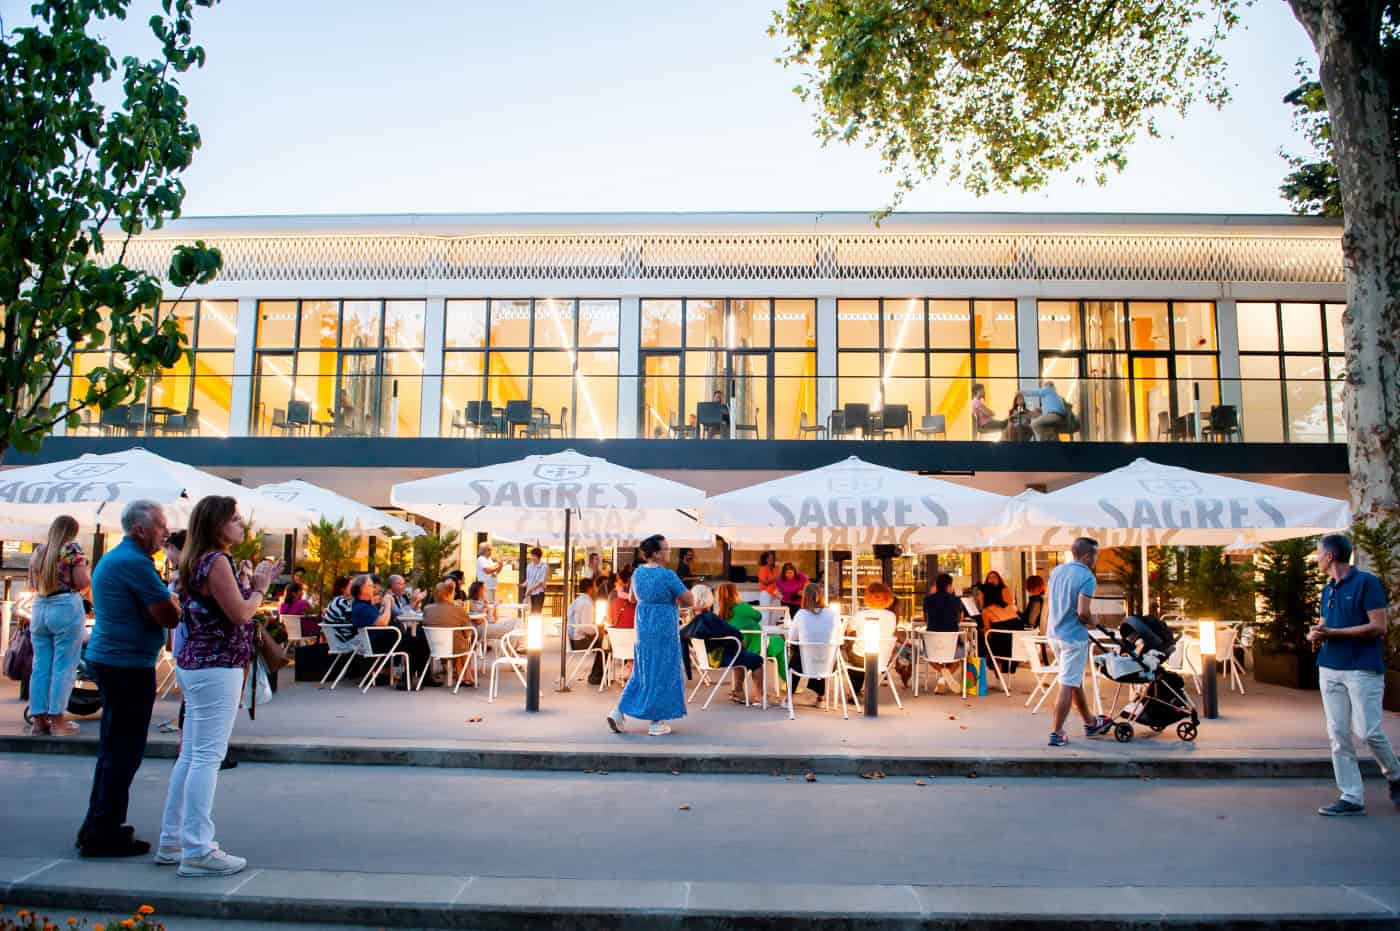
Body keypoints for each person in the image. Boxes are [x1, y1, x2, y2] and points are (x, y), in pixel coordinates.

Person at [157, 496, 281, 878]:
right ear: (217, 526)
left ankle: (173, 838)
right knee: (208, 756)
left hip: (196, 662)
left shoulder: (194, 561)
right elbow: (241, 613)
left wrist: (249, 585)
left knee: (192, 754)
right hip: (218, 665)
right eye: (235, 519)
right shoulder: (217, 561)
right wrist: (259, 588)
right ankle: (197, 848)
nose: (242, 524)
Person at [77, 500, 180, 858]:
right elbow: (168, 616)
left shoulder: (117, 558)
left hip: (112, 659)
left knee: (112, 747)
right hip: (127, 664)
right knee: (124, 749)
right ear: (140, 529)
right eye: (161, 526)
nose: (166, 532)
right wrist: (173, 600)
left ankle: (96, 824)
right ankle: (104, 830)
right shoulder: (136, 564)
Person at [1308, 533, 1400, 816]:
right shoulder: (1328, 589)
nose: (1317, 558)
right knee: (1338, 733)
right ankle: (1351, 796)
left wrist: (1335, 633)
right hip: (1330, 667)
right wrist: (1315, 632)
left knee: (1368, 731)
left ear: (1330, 556)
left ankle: (1395, 775)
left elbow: (1378, 626)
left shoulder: (1367, 583)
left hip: (1362, 669)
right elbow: (1325, 622)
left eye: (1319, 554)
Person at [607, 533, 693, 737]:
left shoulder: (637, 574)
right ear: (656, 554)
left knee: (643, 670)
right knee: (664, 671)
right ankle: (656, 721)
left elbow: (632, 597)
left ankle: (618, 712)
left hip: (643, 626)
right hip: (663, 626)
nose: (669, 551)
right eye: (666, 549)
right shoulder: (668, 575)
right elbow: (689, 600)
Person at [27, 515, 91, 737]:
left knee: (40, 666)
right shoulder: (71, 549)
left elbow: (32, 583)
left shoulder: (39, 551)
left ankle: (38, 721)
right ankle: (57, 721)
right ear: (72, 531)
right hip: (65, 606)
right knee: (64, 666)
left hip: (40, 607)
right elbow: (83, 582)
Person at [1045, 537, 1113, 747]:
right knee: (1068, 682)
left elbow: (1050, 602)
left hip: (1054, 633)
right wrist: (1095, 620)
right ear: (1086, 556)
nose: (1096, 559)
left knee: (1073, 680)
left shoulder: (1057, 571)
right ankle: (1057, 732)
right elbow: (1083, 612)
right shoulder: (1087, 577)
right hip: (1073, 637)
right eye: (1096, 555)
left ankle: (1090, 723)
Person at [681, 584, 764, 704]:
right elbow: (734, 633)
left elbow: (683, 637)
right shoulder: (710, 618)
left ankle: (738, 691)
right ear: (709, 599)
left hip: (705, 659)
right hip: (718, 659)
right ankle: (759, 698)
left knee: (739, 656)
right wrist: (740, 641)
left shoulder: (693, 621)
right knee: (757, 660)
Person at [716, 581, 784, 701]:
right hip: (757, 646)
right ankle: (788, 680)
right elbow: (758, 616)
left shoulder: (721, 614)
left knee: (744, 659)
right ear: (735, 593)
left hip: (737, 649)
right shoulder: (741, 606)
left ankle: (738, 689)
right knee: (779, 641)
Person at [787, 583, 842, 705]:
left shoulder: (801, 614)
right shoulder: (833, 614)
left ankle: (789, 696)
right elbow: (839, 636)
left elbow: (792, 638)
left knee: (798, 652)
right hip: (827, 663)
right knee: (821, 649)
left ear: (805, 597)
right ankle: (821, 696)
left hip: (805, 662)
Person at [422, 580, 476, 687]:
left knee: (459, 640)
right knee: (465, 641)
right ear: (449, 594)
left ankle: (462, 675)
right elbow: (468, 633)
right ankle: (467, 676)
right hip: (454, 648)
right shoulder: (458, 609)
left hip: (433, 647)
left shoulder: (427, 609)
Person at [921, 573, 966, 694]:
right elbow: (960, 618)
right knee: (960, 656)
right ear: (949, 586)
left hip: (932, 645)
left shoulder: (928, 599)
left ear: (936, 585)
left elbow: (925, 618)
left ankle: (942, 676)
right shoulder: (956, 601)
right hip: (952, 643)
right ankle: (945, 677)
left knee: (927, 655)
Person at [977, 570, 1025, 671]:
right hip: (1018, 649)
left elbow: (987, 632)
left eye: (980, 595)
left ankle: (996, 671)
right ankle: (1000, 677)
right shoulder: (1009, 608)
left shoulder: (987, 611)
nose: (978, 597)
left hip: (1002, 651)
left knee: (984, 642)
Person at [568, 576, 605, 686]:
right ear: (590, 589)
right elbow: (586, 627)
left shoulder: (577, 601)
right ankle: (597, 676)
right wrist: (599, 628)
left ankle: (597, 675)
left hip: (572, 639)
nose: (596, 589)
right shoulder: (586, 604)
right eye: (594, 587)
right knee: (605, 643)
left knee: (602, 640)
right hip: (579, 641)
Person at [524, 547, 548, 613]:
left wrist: (530, 589)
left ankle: (536, 623)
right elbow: (528, 579)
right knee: (530, 612)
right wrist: (523, 584)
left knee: (537, 612)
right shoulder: (529, 566)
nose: (532, 558)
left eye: (534, 556)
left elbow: (541, 582)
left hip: (539, 593)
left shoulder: (543, 566)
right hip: (530, 593)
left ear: (539, 557)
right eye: (532, 556)